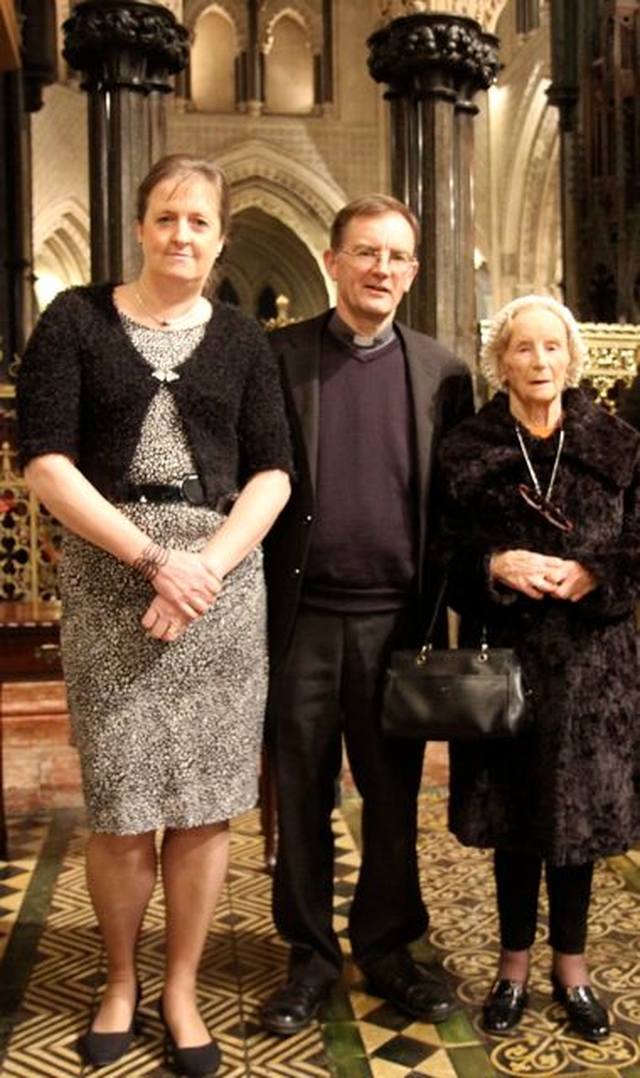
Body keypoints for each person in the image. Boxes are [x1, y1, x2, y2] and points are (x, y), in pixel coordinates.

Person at [16, 153, 292, 1076]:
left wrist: (204, 569)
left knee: (206, 807)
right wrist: (149, 561)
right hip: (108, 579)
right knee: (125, 806)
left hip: (219, 590)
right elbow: (46, 461)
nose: (183, 235)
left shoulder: (247, 339)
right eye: (168, 217)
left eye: (200, 222)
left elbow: (272, 473)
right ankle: (121, 980)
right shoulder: (75, 320)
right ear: (138, 226)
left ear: (219, 237)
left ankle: (180, 988)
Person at [260, 194, 475, 1036]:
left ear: (413, 273)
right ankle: (310, 956)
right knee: (302, 793)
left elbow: (456, 504)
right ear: (333, 260)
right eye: (366, 253)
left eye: (397, 257)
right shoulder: (281, 358)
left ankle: (388, 946)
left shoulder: (443, 372)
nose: (381, 269)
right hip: (302, 619)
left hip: (400, 625)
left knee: (391, 800)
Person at [435, 294, 640, 1042]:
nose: (540, 361)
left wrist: (595, 573)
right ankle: (514, 965)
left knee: (577, 826)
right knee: (517, 824)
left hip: (594, 673)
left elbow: (639, 548)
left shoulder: (617, 444)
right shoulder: (468, 449)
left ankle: (573, 969)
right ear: (501, 361)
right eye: (524, 348)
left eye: (553, 347)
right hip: (506, 668)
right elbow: (442, 558)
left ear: (573, 357)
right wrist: (494, 563)